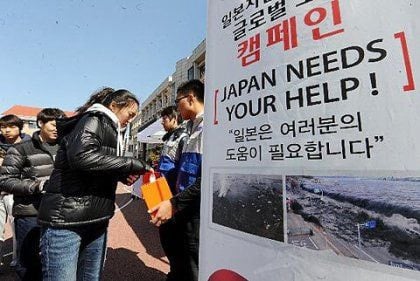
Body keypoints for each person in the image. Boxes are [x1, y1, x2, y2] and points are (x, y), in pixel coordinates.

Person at [37, 87, 151, 281]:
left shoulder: (111, 128)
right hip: (67, 221)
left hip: (95, 219)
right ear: (114, 105)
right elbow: (82, 157)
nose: (131, 120)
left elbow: (95, 166)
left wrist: (120, 174)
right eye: (130, 114)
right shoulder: (95, 119)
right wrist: (132, 163)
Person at [0, 108, 66, 281]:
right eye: (53, 124)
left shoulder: (67, 147)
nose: (57, 128)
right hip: (30, 212)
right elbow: (5, 180)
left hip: (60, 213)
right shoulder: (21, 148)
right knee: (28, 259)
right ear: (40, 123)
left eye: (60, 124)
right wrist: (37, 186)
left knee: (55, 258)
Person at [150, 79, 204, 281]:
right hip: (180, 204)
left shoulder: (209, 127)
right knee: (180, 255)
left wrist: (174, 202)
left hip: (194, 209)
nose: (176, 107)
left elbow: (204, 178)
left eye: (177, 100)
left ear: (190, 98)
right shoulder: (190, 128)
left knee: (193, 261)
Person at [157, 105, 188, 281]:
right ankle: (175, 272)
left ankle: (178, 274)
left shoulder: (183, 137)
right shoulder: (169, 138)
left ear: (174, 118)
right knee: (166, 237)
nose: (162, 121)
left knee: (176, 240)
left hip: (173, 197)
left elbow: (181, 170)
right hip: (162, 192)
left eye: (165, 118)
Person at [0, 115, 31, 271]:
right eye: (3, 127)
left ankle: (17, 259)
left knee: (17, 228)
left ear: (20, 128)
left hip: (16, 193)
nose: (6, 130)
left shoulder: (29, 145)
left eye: (11, 127)